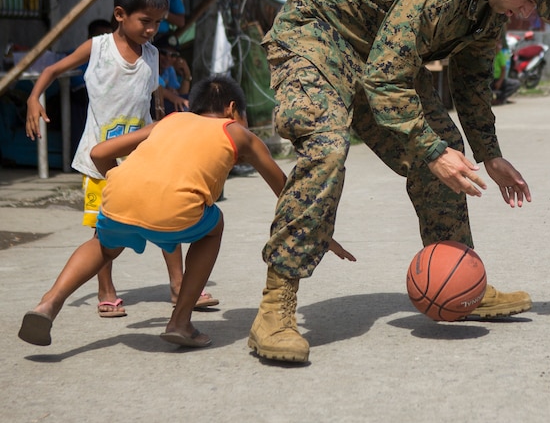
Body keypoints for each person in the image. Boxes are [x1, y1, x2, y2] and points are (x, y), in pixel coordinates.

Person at [250, 0, 550, 363]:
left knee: (446, 142)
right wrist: (429, 152)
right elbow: (386, 78)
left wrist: (491, 155)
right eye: (531, 1)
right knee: (328, 147)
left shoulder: (489, 11)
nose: (526, 14)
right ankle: (274, 308)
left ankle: (461, 281)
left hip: (375, 53)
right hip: (316, 34)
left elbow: (473, 86)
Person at [17, 76, 355, 348]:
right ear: (232, 109)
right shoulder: (239, 134)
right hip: (178, 212)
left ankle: (48, 303)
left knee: (104, 245)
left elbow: (100, 151)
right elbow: (287, 192)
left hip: (119, 196)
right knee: (214, 225)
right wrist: (321, 234)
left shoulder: (172, 120)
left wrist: (123, 183)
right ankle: (180, 321)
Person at [24, 0, 200, 317]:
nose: (152, 30)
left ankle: (179, 286)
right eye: (145, 21)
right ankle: (106, 289)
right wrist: (34, 97)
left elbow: (150, 92)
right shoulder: (98, 48)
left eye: (158, 23)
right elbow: (52, 70)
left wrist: (166, 106)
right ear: (120, 14)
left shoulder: (151, 54)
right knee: (104, 226)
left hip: (143, 156)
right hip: (99, 157)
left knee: (169, 215)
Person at [153, 37, 191, 114]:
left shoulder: (169, 69)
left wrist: (186, 75)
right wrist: (174, 97)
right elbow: (155, 87)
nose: (168, 58)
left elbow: (181, 94)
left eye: (173, 55)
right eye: (164, 53)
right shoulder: (149, 66)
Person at [492, 32, 519, 105]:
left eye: (499, 43)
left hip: (497, 79)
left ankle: (501, 98)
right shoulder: (488, 54)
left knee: (515, 83)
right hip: (489, 80)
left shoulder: (500, 54)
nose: (498, 46)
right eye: (496, 43)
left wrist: (500, 82)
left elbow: (503, 69)